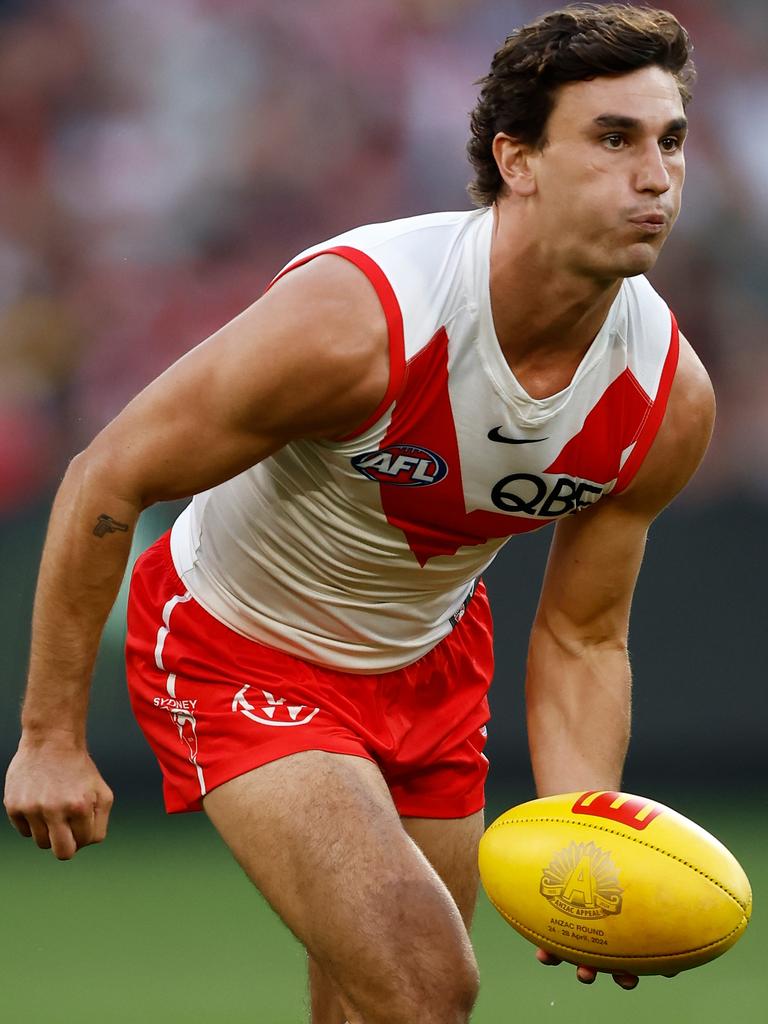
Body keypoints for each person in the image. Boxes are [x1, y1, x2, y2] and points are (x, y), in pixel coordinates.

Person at [4, 5, 713, 1022]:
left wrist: (583, 834)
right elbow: (108, 475)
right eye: (613, 138)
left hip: (432, 664)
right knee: (428, 983)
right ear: (517, 161)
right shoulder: (361, 320)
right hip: (239, 647)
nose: (657, 176)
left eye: (672, 140)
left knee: (382, 1005)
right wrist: (50, 734)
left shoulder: (667, 399)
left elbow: (583, 632)